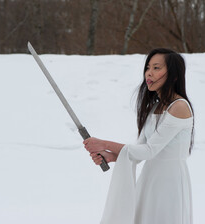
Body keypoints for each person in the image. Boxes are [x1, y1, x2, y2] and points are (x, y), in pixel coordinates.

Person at [83, 48, 195, 224]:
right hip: (149, 179)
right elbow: (141, 148)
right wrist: (112, 156)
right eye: (148, 67)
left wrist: (102, 143)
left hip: (169, 183)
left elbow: (150, 150)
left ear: (174, 75)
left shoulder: (179, 107)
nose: (149, 73)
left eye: (157, 68)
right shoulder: (154, 107)